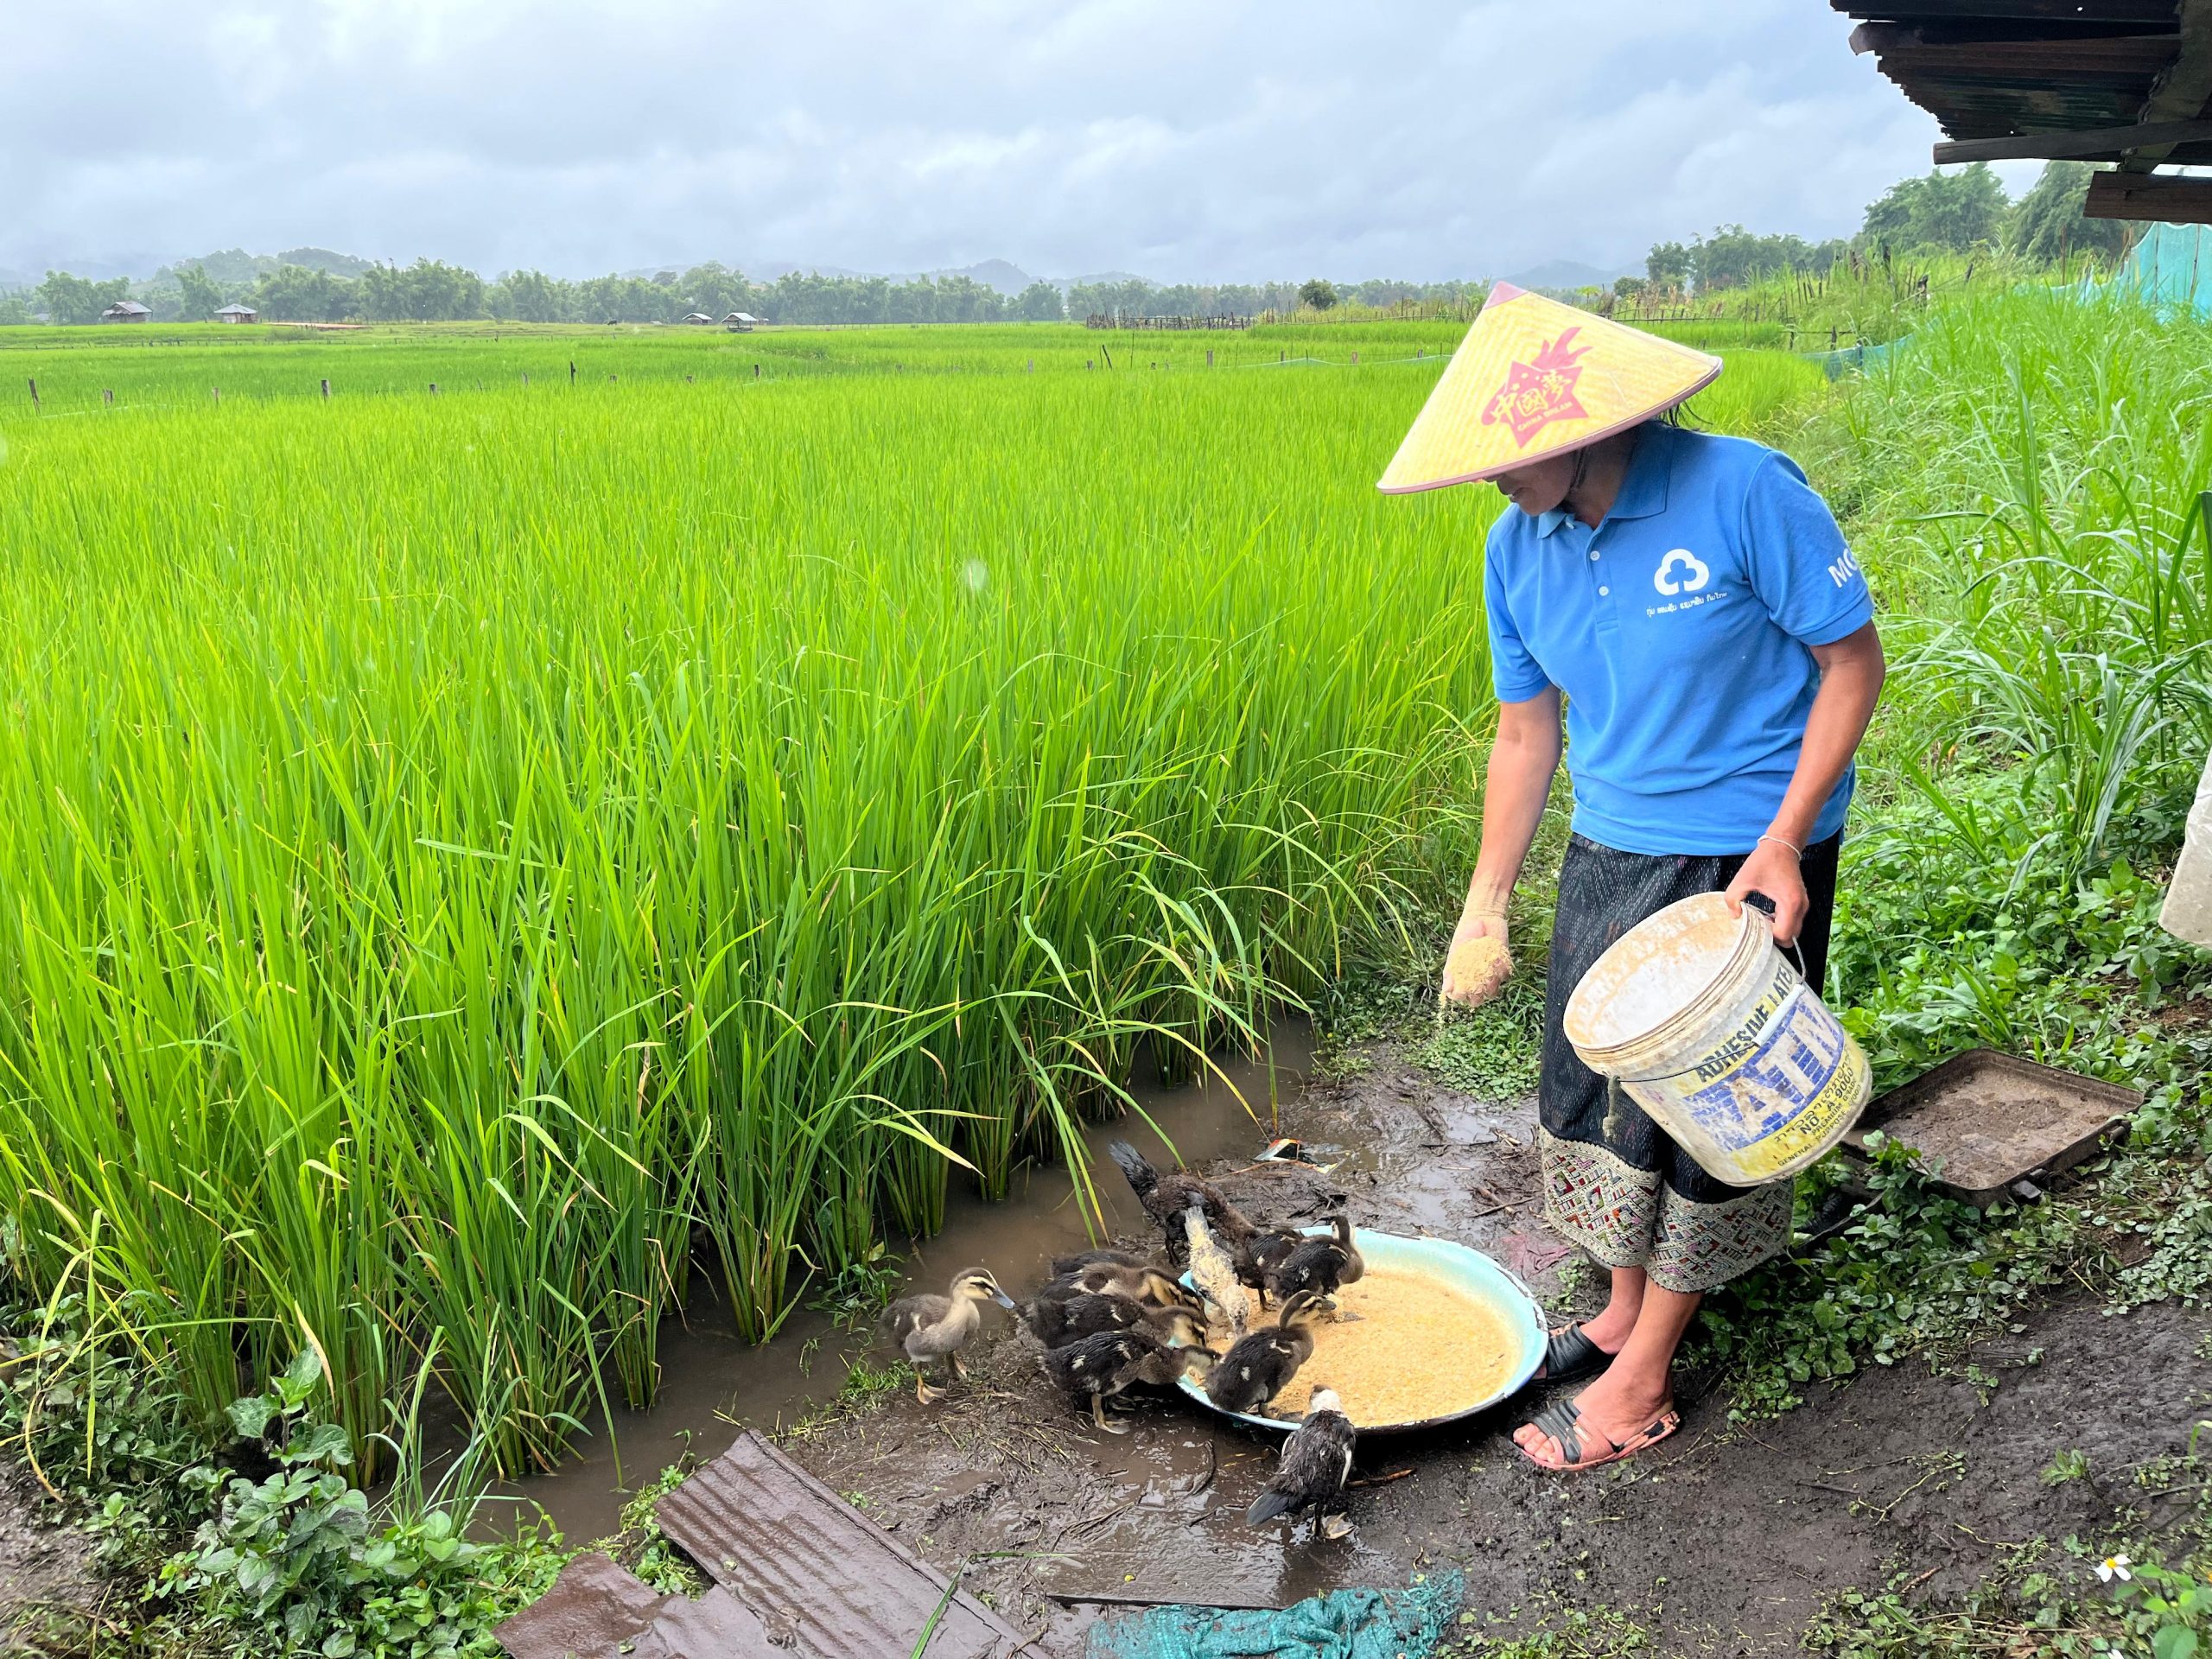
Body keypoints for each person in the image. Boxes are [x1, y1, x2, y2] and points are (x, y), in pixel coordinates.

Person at [1378, 285, 1885, 1472]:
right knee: (1590, 1087)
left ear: (1585, 426)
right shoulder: (1517, 545)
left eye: (1510, 457)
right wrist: (1482, 907)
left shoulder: (1745, 488)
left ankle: (1646, 1379)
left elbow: (1852, 668)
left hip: (1746, 849)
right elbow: (1523, 735)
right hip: (1612, 843)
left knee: (1712, 1111)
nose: (1491, 480)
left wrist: (1783, 843)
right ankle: (1618, 1308)